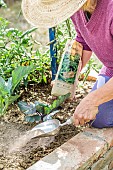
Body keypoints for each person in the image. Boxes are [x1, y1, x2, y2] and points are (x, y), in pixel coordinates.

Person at [22, 0, 113, 128]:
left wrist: (92, 100)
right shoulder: (77, 8)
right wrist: (67, 78)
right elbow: (84, 39)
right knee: (97, 118)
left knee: (100, 113)